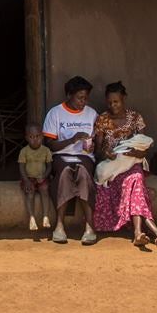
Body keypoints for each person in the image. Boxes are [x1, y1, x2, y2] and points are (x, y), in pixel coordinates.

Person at [92, 81, 157, 249]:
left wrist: (137, 153)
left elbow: (143, 146)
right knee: (135, 184)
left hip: (132, 163)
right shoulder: (103, 119)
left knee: (135, 178)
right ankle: (155, 232)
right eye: (110, 102)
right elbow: (97, 151)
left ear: (124, 99)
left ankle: (140, 233)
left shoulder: (135, 118)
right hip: (112, 168)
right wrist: (107, 153)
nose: (113, 105)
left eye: (116, 101)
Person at [42, 76, 98, 245]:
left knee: (82, 172)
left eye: (86, 98)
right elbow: (50, 146)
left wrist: (92, 145)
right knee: (66, 172)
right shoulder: (55, 113)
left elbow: (96, 141)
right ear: (68, 95)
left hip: (85, 157)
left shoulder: (92, 114)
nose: (83, 101)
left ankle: (89, 227)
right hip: (61, 156)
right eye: (80, 97)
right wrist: (72, 140)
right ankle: (59, 226)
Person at [18, 123, 52, 231]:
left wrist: (44, 176)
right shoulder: (24, 151)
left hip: (41, 177)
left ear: (42, 136)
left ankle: (45, 216)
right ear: (27, 138)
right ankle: (32, 218)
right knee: (30, 193)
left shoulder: (46, 150)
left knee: (45, 190)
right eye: (31, 137)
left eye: (37, 136)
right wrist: (27, 181)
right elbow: (22, 168)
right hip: (29, 178)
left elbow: (49, 166)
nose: (35, 139)